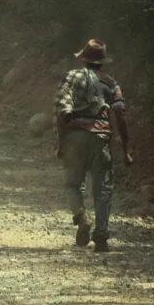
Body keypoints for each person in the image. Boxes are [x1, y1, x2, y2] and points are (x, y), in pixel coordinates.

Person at [53, 39, 133, 252]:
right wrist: (126, 149)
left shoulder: (71, 77)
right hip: (100, 139)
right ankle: (101, 236)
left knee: (72, 184)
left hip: (75, 137)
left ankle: (81, 216)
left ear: (83, 59)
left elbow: (62, 111)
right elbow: (120, 114)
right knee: (103, 189)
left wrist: (61, 142)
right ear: (102, 62)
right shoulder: (110, 83)